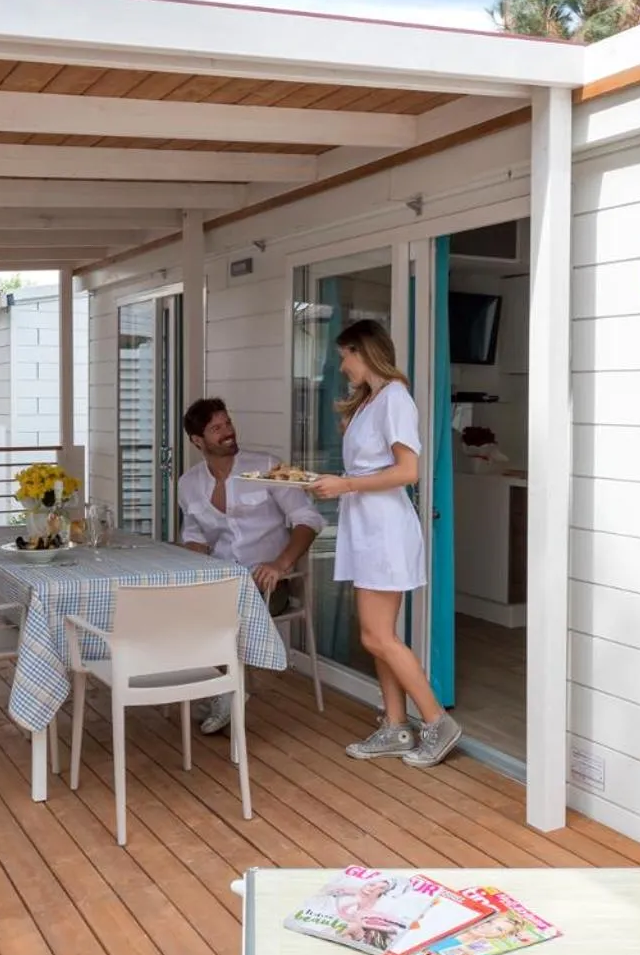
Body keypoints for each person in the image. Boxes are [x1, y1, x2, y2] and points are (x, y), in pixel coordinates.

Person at [305, 318, 461, 768]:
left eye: (344, 357)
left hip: (386, 531)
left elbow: (408, 471)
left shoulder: (395, 398)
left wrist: (347, 485)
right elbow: (364, 469)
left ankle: (437, 722)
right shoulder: (370, 402)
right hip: (367, 530)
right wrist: (332, 483)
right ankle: (395, 726)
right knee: (377, 636)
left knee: (378, 636)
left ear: (363, 351)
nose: (343, 367)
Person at [178, 397, 325, 734]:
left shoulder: (267, 467)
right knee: (180, 608)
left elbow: (308, 519)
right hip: (221, 579)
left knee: (214, 615)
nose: (228, 432)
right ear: (198, 441)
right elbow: (194, 537)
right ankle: (222, 688)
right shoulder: (188, 484)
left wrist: (281, 562)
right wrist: (188, 567)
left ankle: (226, 692)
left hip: (270, 583)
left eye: (227, 423)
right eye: (217, 428)